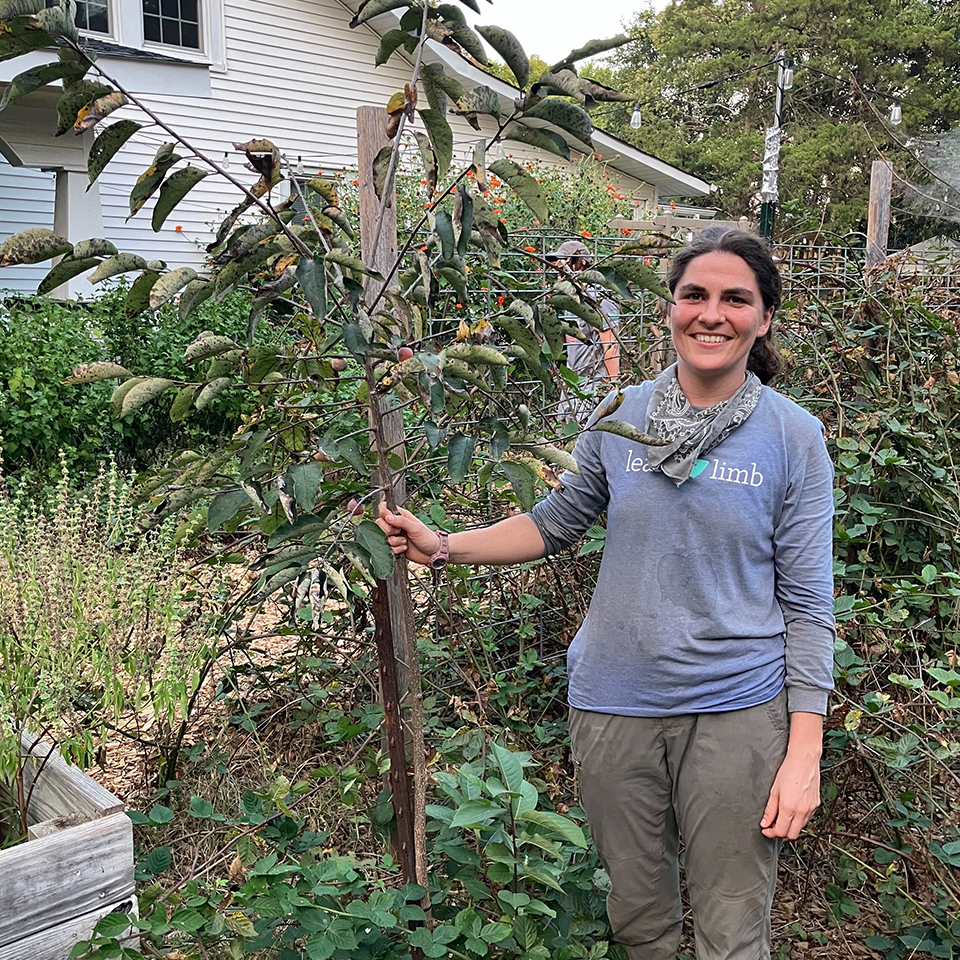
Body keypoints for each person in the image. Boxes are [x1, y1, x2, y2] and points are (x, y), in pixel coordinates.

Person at [377, 228, 835, 960]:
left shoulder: (793, 438)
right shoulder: (622, 412)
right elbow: (554, 522)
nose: (711, 314)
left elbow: (810, 606)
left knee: (732, 927)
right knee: (638, 920)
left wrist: (804, 750)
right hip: (613, 704)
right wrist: (445, 546)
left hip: (737, 713)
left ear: (765, 317)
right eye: (694, 295)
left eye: (735, 299)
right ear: (670, 309)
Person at [545, 239, 620, 421]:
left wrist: (614, 389)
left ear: (581, 262)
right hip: (573, 381)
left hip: (591, 384)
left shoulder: (599, 298)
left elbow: (610, 344)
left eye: (563, 261)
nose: (557, 267)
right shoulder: (571, 297)